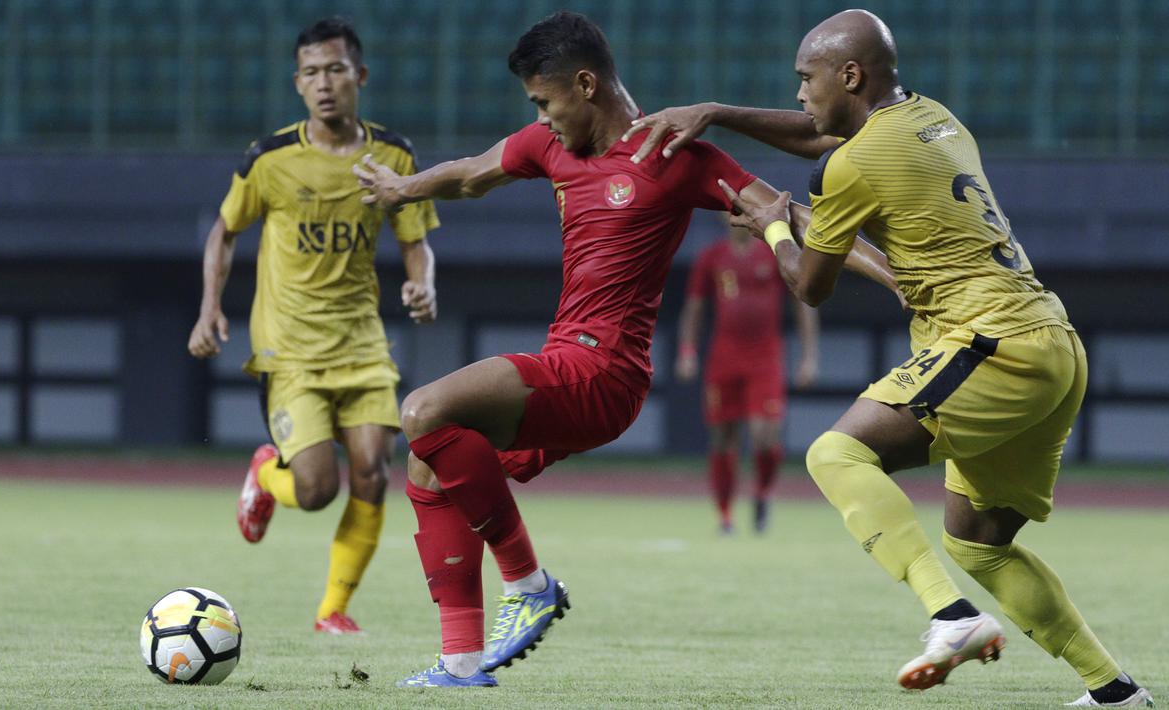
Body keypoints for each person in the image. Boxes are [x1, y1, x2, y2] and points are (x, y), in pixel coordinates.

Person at [353, 11, 899, 688]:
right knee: (430, 468)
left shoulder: (672, 157)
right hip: (564, 364)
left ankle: (527, 587)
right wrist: (402, 187)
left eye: (545, 103)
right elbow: (470, 174)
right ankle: (462, 661)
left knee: (424, 410)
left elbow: (795, 215)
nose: (542, 119)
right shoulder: (549, 148)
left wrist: (897, 277)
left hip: (604, 373)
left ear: (585, 85)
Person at [627, 9, 1154, 707]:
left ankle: (951, 618)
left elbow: (809, 287)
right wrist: (720, 114)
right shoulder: (937, 119)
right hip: (1052, 345)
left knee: (834, 455)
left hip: (991, 344)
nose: (797, 94)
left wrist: (775, 226)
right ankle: (1113, 692)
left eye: (804, 79)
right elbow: (827, 144)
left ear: (849, 74)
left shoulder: (852, 164)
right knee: (977, 545)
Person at [187, 17, 439, 636]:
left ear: (360, 75)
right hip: (291, 350)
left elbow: (416, 240)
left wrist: (423, 281)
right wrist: (209, 307)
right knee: (318, 488)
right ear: (297, 83)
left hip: (361, 344)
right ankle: (266, 476)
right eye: (310, 73)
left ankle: (333, 609)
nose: (323, 83)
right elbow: (225, 232)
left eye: (334, 70)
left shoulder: (394, 155)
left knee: (375, 473)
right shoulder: (269, 159)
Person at [676, 217, 819, 534]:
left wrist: (809, 356)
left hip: (765, 358)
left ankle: (762, 492)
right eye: (730, 212)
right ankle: (725, 514)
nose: (736, 218)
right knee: (723, 436)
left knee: (764, 434)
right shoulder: (712, 257)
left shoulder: (775, 253)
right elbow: (695, 307)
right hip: (724, 357)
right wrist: (687, 351)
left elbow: (803, 301)